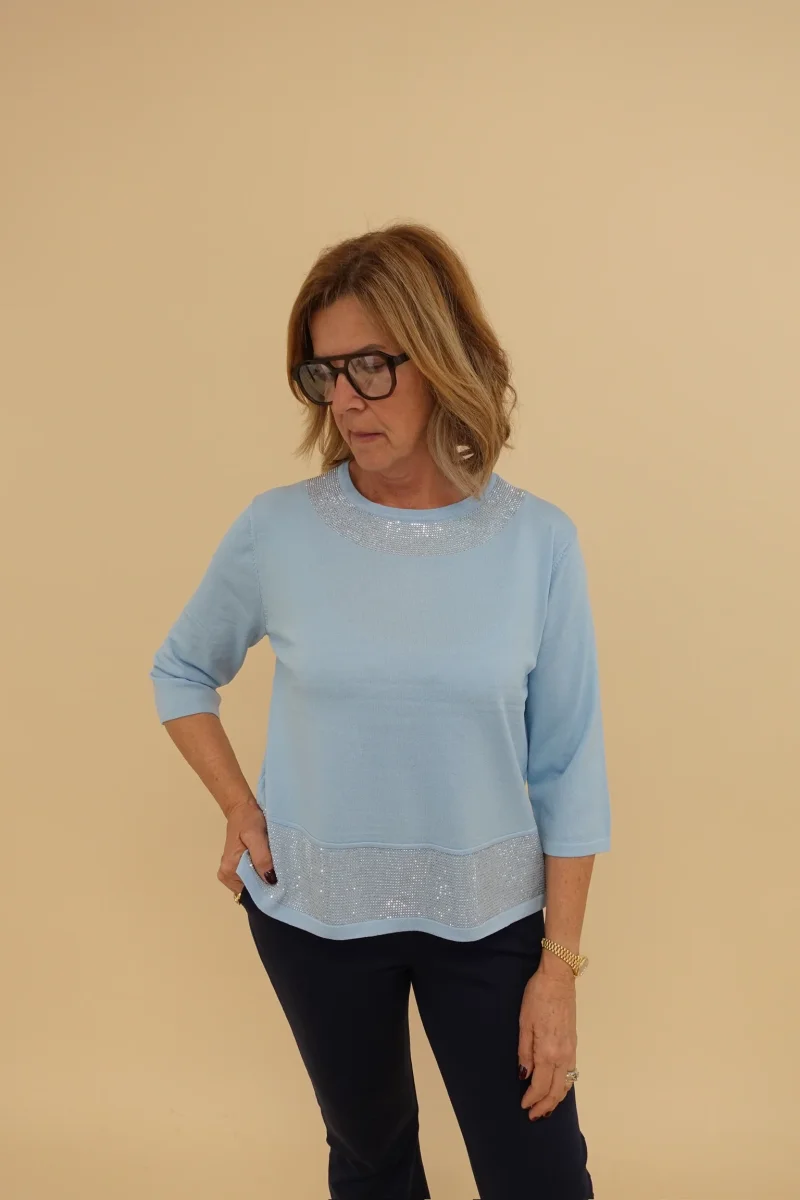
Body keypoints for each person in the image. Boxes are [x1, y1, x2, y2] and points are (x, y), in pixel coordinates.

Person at [149, 221, 612, 1200]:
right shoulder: (279, 530)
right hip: (313, 913)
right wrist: (239, 804)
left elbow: (568, 768)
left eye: (370, 366)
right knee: (371, 1164)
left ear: (439, 356)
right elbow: (182, 670)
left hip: (492, 919)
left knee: (539, 1177)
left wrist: (558, 968)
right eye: (324, 374)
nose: (346, 400)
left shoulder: (537, 543)